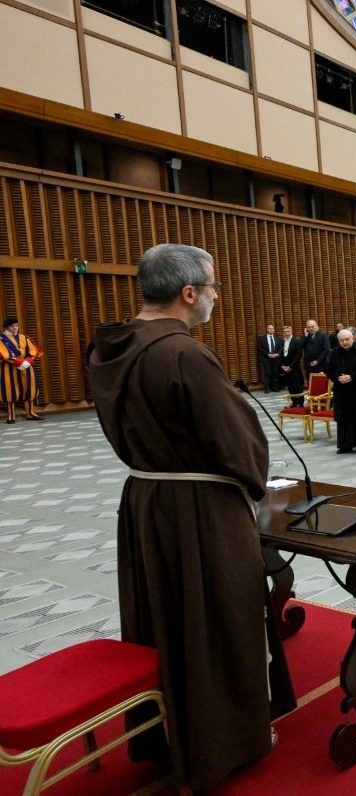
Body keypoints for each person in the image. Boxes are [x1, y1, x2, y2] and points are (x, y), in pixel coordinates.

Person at [86, 243, 276, 791]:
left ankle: (165, 737)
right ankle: (223, 744)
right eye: (213, 287)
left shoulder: (109, 347)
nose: (216, 297)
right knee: (216, 617)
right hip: (199, 510)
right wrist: (254, 475)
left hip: (147, 500)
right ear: (188, 292)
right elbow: (235, 443)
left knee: (165, 620)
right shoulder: (184, 354)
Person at [325, 328, 356, 453]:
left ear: (353, 339)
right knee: (343, 418)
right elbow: (328, 370)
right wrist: (337, 378)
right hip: (341, 390)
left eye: (347, 339)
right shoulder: (334, 353)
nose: (345, 342)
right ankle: (345, 445)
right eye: (342, 340)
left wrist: (352, 376)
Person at [0, 316, 43, 423]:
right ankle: (11, 415)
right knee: (10, 390)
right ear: (6, 327)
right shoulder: (1, 339)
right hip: (9, 366)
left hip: (26, 366)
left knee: (29, 387)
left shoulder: (24, 338)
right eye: (12, 326)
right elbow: (4, 354)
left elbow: (32, 351)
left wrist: (28, 361)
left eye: (16, 325)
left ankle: (30, 413)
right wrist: (18, 362)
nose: (15, 327)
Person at [279, 324, 303, 404]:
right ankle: (294, 402)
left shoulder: (296, 341)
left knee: (297, 386)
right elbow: (280, 354)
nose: (286, 333)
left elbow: (298, 355)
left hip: (294, 368)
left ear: (291, 331)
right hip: (285, 368)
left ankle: (300, 403)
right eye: (285, 332)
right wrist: (282, 365)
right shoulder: (282, 342)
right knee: (290, 386)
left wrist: (291, 366)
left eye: (288, 331)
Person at [257, 324, 281, 392]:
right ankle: (267, 388)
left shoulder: (277, 338)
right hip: (266, 358)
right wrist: (268, 354)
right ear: (267, 329)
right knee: (267, 373)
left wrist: (277, 354)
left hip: (276, 358)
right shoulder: (262, 338)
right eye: (270, 328)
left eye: (272, 328)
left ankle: (274, 387)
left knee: (275, 372)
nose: (271, 330)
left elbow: (281, 348)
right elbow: (260, 348)